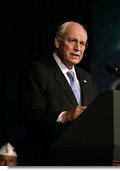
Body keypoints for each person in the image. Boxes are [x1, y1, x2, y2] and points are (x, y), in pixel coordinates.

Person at [20, 21, 97, 165]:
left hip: (83, 160)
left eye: (82, 43)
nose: (77, 48)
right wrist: (65, 116)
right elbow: (31, 115)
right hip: (49, 159)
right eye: (72, 40)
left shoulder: (88, 78)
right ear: (57, 41)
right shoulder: (39, 70)